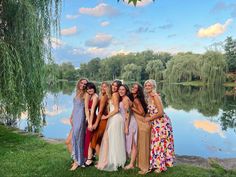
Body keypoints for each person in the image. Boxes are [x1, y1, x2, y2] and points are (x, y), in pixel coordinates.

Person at [144, 79, 174, 174]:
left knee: (160, 143)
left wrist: (149, 119)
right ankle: (156, 164)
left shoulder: (156, 96)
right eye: (146, 85)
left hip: (161, 123)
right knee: (156, 143)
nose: (148, 87)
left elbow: (161, 112)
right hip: (155, 123)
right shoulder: (149, 97)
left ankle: (160, 166)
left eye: (150, 85)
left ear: (153, 86)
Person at [96, 80, 126, 171]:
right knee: (111, 140)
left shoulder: (115, 94)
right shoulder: (113, 95)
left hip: (116, 118)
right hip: (113, 118)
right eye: (113, 85)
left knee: (107, 140)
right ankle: (111, 160)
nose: (114, 87)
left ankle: (108, 161)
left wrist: (106, 117)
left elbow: (116, 109)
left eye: (116, 86)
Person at [130, 83, 150, 175]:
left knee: (143, 146)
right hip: (140, 123)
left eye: (135, 88)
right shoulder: (133, 98)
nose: (133, 88)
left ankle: (145, 168)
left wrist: (132, 108)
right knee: (139, 145)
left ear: (138, 91)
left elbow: (142, 112)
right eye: (133, 87)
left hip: (142, 124)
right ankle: (140, 164)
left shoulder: (136, 100)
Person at [70, 78, 88, 171]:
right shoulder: (77, 92)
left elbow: (86, 109)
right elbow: (75, 106)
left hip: (81, 118)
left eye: (85, 84)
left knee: (79, 139)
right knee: (74, 138)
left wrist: (86, 119)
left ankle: (78, 161)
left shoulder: (86, 94)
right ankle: (76, 158)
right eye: (82, 83)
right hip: (75, 117)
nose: (83, 85)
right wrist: (71, 117)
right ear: (79, 83)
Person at [118, 84, 138, 170]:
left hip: (130, 123)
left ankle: (131, 164)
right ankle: (128, 161)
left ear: (126, 91)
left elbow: (128, 113)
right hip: (127, 122)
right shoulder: (123, 98)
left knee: (133, 144)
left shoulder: (125, 99)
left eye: (123, 90)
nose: (121, 91)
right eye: (120, 89)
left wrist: (126, 127)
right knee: (128, 142)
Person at [90, 82, 109, 157]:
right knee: (99, 140)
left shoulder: (105, 97)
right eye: (102, 86)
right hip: (102, 119)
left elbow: (100, 111)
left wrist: (96, 123)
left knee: (95, 140)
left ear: (108, 88)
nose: (103, 88)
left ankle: (102, 161)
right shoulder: (103, 95)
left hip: (103, 120)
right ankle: (102, 159)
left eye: (105, 87)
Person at [84, 82, 99, 166]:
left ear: (94, 88)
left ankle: (89, 160)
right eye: (88, 88)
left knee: (90, 139)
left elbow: (92, 110)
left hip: (92, 119)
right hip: (88, 118)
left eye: (91, 88)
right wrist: (87, 118)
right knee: (88, 138)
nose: (89, 90)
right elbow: (86, 108)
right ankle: (90, 156)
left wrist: (90, 123)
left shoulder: (96, 96)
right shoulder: (88, 95)